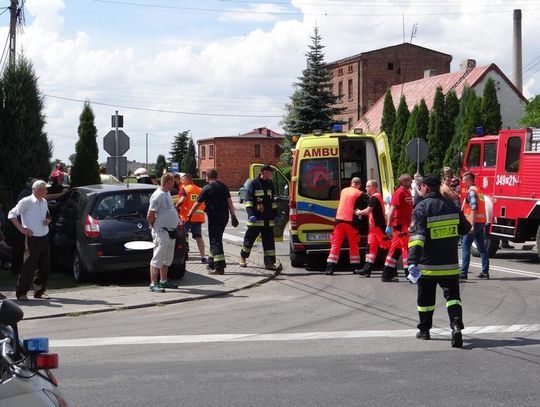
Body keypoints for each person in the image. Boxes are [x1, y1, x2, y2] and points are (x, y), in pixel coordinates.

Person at [407, 175, 471, 347]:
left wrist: (411, 261)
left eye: (420, 186)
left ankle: (424, 330)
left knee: (425, 300)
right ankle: (456, 325)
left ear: (427, 187)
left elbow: (417, 238)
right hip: (450, 264)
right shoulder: (451, 205)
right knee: (453, 297)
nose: (419, 189)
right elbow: (465, 228)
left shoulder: (421, 207)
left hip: (428, 265)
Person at [7, 180, 52, 301]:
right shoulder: (26, 201)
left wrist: (48, 220)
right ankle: (21, 293)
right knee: (28, 266)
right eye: (45, 189)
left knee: (45, 267)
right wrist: (21, 229)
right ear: (38, 190)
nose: (47, 191)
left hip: (44, 236)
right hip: (32, 238)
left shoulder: (44, 201)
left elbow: (47, 215)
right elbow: (11, 214)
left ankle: (39, 291)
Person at [187, 169, 238, 275]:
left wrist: (190, 214)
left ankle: (219, 267)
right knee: (216, 238)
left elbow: (197, 204)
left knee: (215, 240)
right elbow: (230, 202)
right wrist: (233, 215)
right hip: (224, 217)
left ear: (207, 177)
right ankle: (211, 263)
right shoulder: (224, 186)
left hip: (214, 217)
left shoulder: (207, 188)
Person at [239, 164, 281, 271]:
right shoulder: (253, 183)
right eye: (270, 172)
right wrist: (251, 214)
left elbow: (273, 202)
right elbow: (248, 201)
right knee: (249, 241)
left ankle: (269, 263)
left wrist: (275, 215)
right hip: (256, 220)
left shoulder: (270, 184)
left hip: (268, 220)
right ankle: (243, 257)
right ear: (264, 172)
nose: (271, 174)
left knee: (269, 244)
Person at [324, 177, 368, 275]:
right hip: (351, 222)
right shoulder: (359, 193)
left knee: (335, 244)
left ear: (351, 183)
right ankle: (355, 267)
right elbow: (369, 202)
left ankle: (329, 268)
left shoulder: (343, 191)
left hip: (339, 220)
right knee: (353, 245)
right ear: (359, 185)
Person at [147, 173, 181, 292]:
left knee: (167, 258)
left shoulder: (167, 193)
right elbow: (150, 214)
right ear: (167, 182)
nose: (174, 184)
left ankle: (163, 281)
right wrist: (153, 225)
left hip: (170, 231)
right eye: (172, 182)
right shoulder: (158, 196)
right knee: (157, 257)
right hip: (161, 231)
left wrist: (177, 221)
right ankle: (153, 283)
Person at [355, 179, 390, 277]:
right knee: (370, 249)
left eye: (367, 186)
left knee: (387, 247)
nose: (366, 188)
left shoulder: (374, 197)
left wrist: (358, 212)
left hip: (378, 228)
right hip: (374, 229)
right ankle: (366, 270)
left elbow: (368, 210)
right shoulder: (375, 197)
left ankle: (391, 270)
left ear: (373, 187)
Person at [382, 174, 413, 282]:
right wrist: (388, 226)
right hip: (399, 224)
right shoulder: (399, 193)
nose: (409, 181)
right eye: (406, 180)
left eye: (409, 179)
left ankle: (386, 275)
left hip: (404, 224)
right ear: (401, 182)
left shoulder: (408, 192)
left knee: (395, 250)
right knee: (405, 249)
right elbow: (391, 210)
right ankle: (410, 275)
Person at [460, 171, 490, 279]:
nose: (462, 181)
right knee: (482, 247)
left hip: (474, 223)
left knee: (465, 247)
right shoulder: (479, 191)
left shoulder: (472, 192)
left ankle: (463, 273)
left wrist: (471, 225)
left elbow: (474, 207)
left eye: (464, 179)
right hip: (481, 222)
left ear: (469, 180)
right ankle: (485, 272)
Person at [176, 173, 207, 263]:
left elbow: (182, 201)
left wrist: (176, 206)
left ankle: (183, 255)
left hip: (187, 217)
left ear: (187, 180)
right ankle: (203, 257)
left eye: (183, 180)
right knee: (198, 237)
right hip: (198, 217)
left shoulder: (184, 189)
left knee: (183, 236)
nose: (182, 182)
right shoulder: (200, 189)